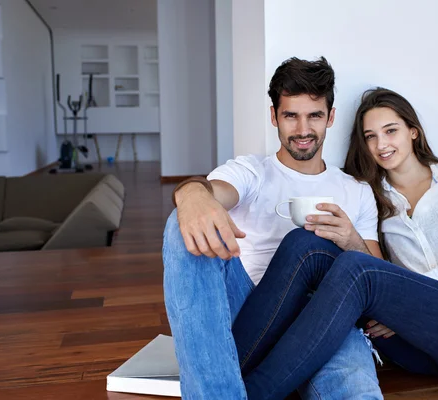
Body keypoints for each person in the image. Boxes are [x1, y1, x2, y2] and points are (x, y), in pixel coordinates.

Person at [231, 87, 438, 400]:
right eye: (370, 136)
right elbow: (378, 272)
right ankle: (225, 372)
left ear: (413, 131)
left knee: (359, 271)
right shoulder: (370, 194)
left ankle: (250, 394)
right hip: (418, 349)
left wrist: (411, 299)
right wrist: (399, 305)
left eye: (390, 131)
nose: (381, 144)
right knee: (305, 242)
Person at [163, 57, 385, 399]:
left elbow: (379, 280)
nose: (302, 129)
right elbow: (215, 192)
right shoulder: (252, 171)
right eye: (290, 115)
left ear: (331, 117)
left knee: (355, 392)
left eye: (313, 115)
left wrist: (351, 239)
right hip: (249, 308)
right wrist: (192, 194)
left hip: (326, 315)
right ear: (273, 117)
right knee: (183, 224)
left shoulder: (355, 190)